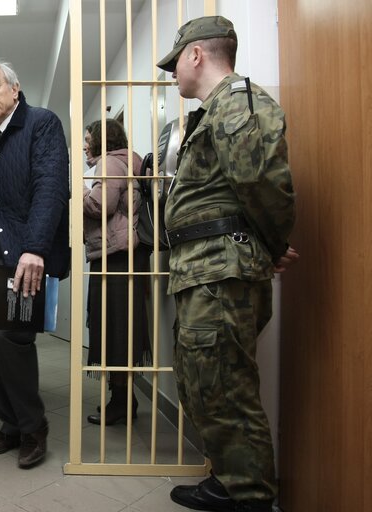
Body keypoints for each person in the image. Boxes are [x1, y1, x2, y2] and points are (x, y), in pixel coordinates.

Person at [156, 16, 298, 511]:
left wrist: (272, 247)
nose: (172, 73)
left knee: (227, 391)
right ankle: (228, 482)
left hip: (220, 271)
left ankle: (253, 499)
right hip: (203, 271)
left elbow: (260, 182)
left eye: (175, 63)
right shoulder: (214, 110)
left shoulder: (237, 102)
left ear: (196, 54)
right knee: (205, 386)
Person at [0, 58, 69, 469]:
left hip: (27, 253)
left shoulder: (42, 123)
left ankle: (32, 427)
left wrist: (36, 248)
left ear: (14, 88)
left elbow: (50, 186)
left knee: (11, 338)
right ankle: (10, 425)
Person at [82, 119, 150, 426]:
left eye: (87, 139)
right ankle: (123, 400)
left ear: (100, 139)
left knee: (114, 330)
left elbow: (100, 206)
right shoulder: (128, 160)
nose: (85, 145)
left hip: (115, 257)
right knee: (122, 330)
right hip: (128, 257)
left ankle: (121, 404)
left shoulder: (110, 162)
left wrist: (78, 191)